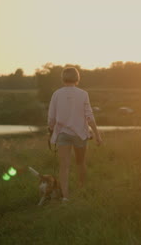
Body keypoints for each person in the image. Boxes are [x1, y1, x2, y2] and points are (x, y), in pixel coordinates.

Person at [47, 67, 102, 201]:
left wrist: (50, 131)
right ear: (77, 78)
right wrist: (97, 134)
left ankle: (65, 196)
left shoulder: (56, 94)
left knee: (64, 166)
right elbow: (89, 116)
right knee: (80, 162)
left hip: (62, 134)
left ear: (63, 78)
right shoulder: (83, 94)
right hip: (80, 134)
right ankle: (82, 189)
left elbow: (51, 118)